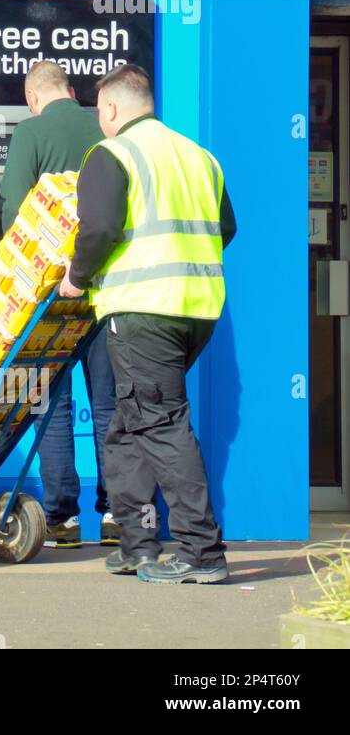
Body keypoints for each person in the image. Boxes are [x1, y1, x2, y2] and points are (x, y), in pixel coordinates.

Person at [59, 63, 236, 584]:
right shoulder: (199, 157)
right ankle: (137, 545)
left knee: (159, 422)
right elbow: (227, 226)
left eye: (100, 113)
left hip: (141, 309)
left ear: (110, 109)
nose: (100, 123)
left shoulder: (112, 155)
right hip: (196, 309)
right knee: (126, 425)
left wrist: (76, 276)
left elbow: (101, 230)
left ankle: (202, 553)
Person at [0, 60, 118, 550]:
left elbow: (14, 212)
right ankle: (117, 513)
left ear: (33, 98)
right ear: (72, 91)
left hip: (50, 295)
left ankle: (62, 519)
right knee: (111, 405)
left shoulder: (29, 133)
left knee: (54, 405)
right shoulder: (105, 126)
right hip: (104, 288)